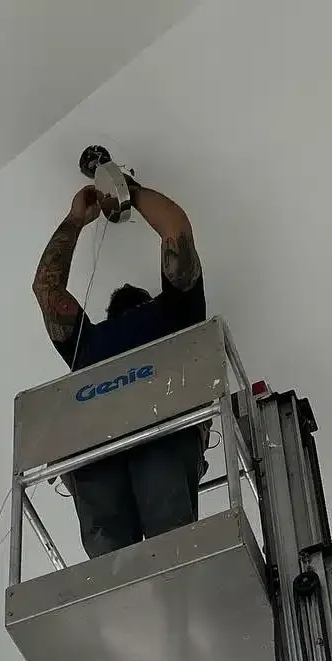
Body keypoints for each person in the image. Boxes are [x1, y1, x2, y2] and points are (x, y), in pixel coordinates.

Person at [33, 177, 207, 558]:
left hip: (155, 435)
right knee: (152, 545)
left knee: (119, 547)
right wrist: (127, 192)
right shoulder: (169, 315)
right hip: (113, 449)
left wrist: (82, 215)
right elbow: (176, 230)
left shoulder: (169, 316)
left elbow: (47, 290)